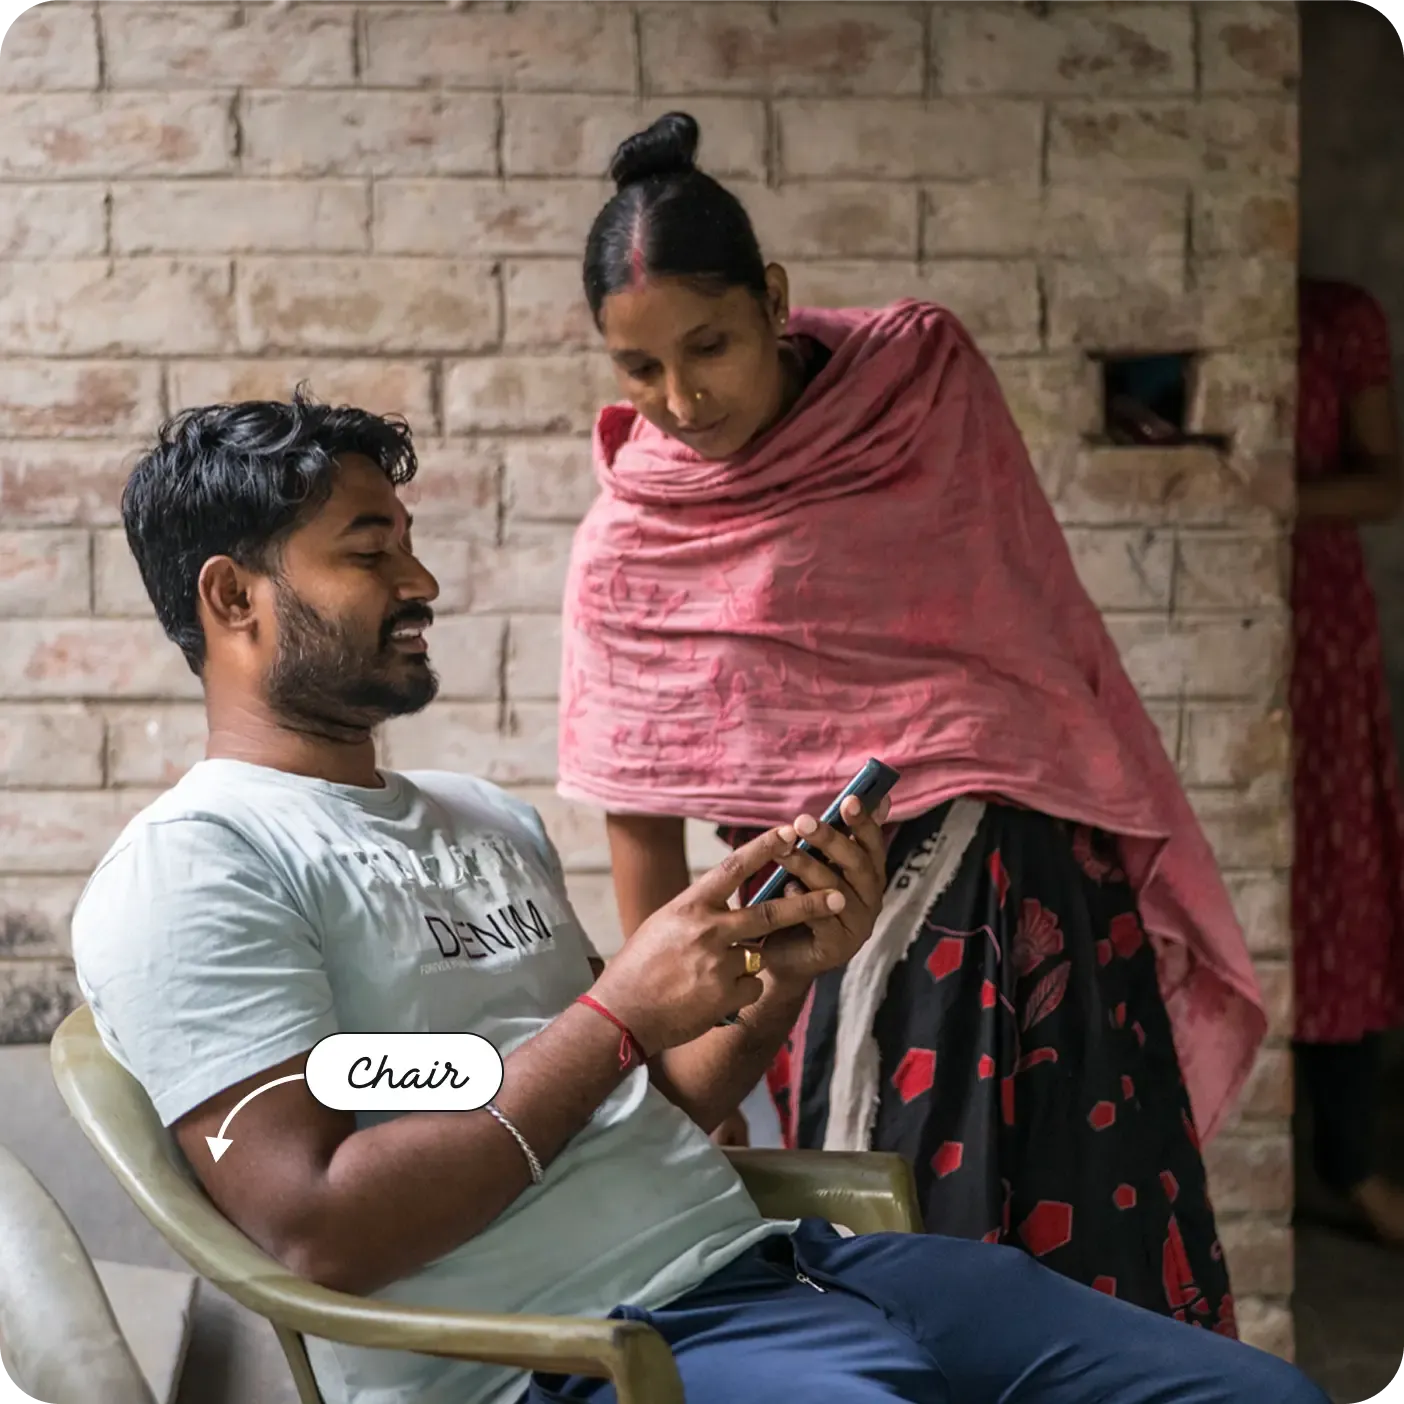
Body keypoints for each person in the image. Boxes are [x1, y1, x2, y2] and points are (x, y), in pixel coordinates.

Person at [68, 395, 1327, 1404]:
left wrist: (782, 975)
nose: (422, 580)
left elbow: (636, 1101)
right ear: (232, 598)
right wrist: (618, 1012)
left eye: (407, 540)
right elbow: (320, 1228)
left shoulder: (481, 818)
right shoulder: (195, 868)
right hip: (578, 1358)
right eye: (368, 551)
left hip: (780, 1271)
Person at [557, 112, 1269, 1330]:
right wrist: (692, 1072)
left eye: (710, 345)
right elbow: (645, 830)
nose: (681, 396)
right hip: (819, 943)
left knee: (1081, 1273)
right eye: (640, 368)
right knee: (907, 1285)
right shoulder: (632, 541)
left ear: (774, 298)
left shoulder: (918, 389)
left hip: (1027, 892)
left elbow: (1022, 631)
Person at [1292, 276, 1404, 1246]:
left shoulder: (1338, 319)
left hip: (1319, 634)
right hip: (1202, 627)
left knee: (1339, 891)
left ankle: (1350, 1158)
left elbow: (1385, 481)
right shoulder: (1156, 310)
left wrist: (1264, 499)